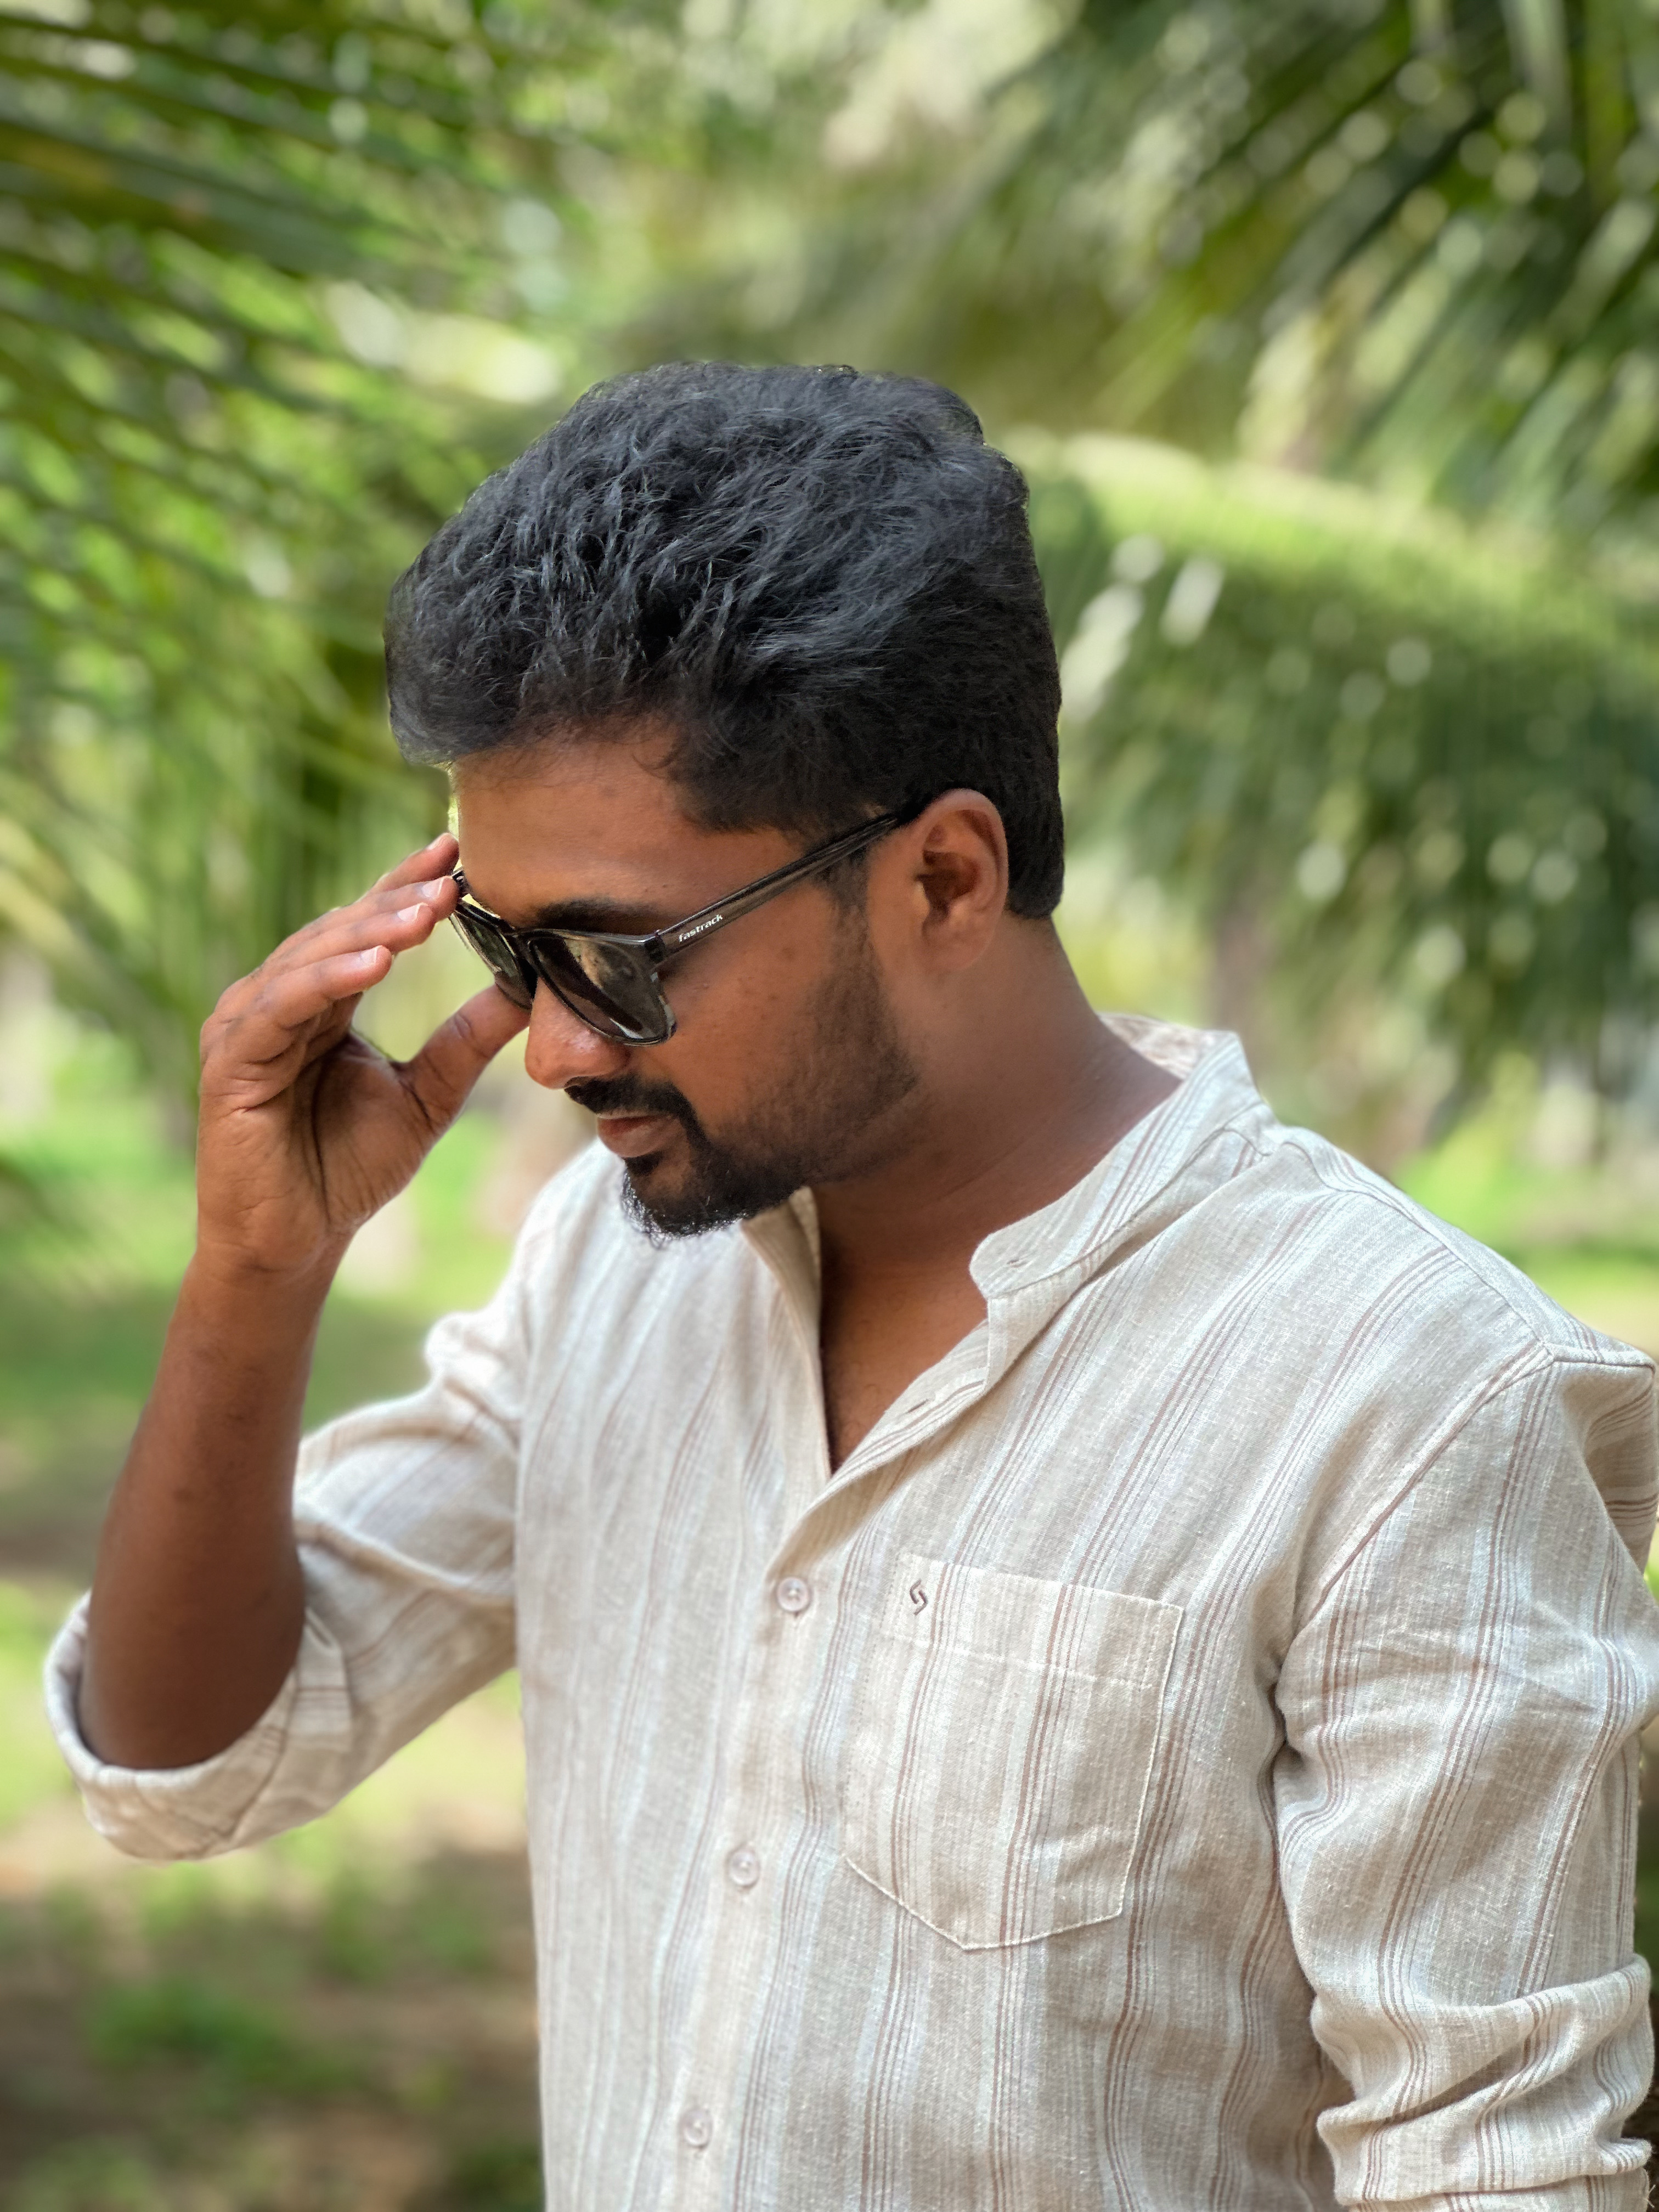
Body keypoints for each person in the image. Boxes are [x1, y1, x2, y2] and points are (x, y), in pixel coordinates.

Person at [46, 362, 1659, 2210]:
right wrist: (258, 1268)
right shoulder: (608, 1272)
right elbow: (193, 1762)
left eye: (620, 957)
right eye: (504, 946)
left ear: (947, 878)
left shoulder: (1403, 1397)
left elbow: (1495, 2170)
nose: (551, 1051)